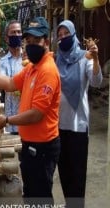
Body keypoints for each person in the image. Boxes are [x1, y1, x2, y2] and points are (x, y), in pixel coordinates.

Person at [0, 17, 61, 204]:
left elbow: (36, 114)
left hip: (43, 147)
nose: (30, 45)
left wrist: (7, 120)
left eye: (36, 41)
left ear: (46, 42)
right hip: (31, 143)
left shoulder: (47, 71)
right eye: (28, 41)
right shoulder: (32, 67)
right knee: (32, 193)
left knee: (40, 196)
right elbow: (9, 83)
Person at [55, 20, 102, 208]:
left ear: (73, 35)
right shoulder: (55, 60)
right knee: (64, 174)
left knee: (77, 176)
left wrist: (96, 59)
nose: (63, 37)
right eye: (60, 35)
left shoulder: (85, 57)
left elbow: (97, 81)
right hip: (58, 127)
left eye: (66, 33)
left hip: (78, 127)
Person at [0, 20, 23, 135]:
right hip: (12, 119)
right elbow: (5, 84)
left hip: (28, 118)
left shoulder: (28, 59)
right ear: (7, 38)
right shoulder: (2, 62)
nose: (17, 35)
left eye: (19, 32)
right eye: (13, 33)